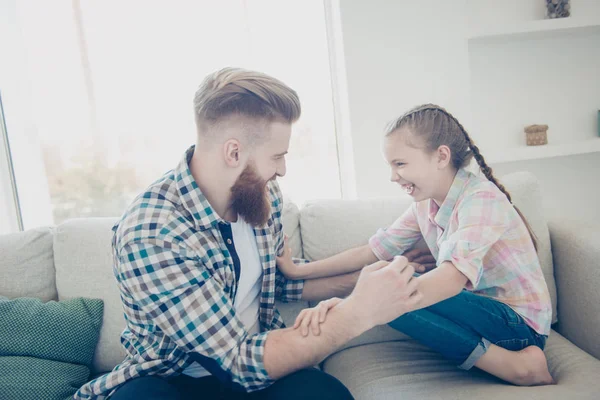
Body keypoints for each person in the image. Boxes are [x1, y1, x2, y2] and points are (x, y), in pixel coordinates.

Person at [74, 68, 432, 400]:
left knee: (325, 393)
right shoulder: (152, 233)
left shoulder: (260, 196)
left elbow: (279, 283)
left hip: (262, 365)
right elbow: (237, 362)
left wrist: (370, 279)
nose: (283, 170)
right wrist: (359, 312)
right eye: (277, 156)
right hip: (173, 380)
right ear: (234, 152)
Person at [277, 104, 555, 387]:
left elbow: (450, 280)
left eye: (400, 164)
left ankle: (518, 366)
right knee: (391, 285)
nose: (392, 176)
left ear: (441, 157)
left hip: (519, 327)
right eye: (391, 165)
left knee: (394, 289)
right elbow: (372, 251)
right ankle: (509, 363)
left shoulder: (481, 199)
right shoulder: (425, 205)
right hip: (481, 317)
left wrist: (357, 306)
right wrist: (300, 271)